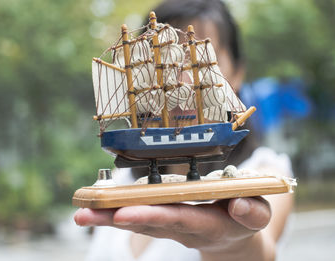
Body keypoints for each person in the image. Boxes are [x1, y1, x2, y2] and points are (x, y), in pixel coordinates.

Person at [74, 0, 294, 260]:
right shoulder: (121, 182)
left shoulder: (264, 172)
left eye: (199, 60)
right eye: (169, 67)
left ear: (237, 72)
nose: (183, 79)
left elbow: (260, 250)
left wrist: (230, 244)